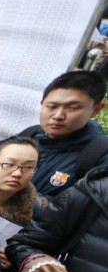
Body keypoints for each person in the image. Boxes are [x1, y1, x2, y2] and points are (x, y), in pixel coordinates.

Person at [22, 70, 107, 201]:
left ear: (95, 110)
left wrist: (15, 197)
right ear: (42, 103)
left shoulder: (100, 157)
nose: (58, 116)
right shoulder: (28, 136)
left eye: (73, 108)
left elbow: (87, 211)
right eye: (52, 106)